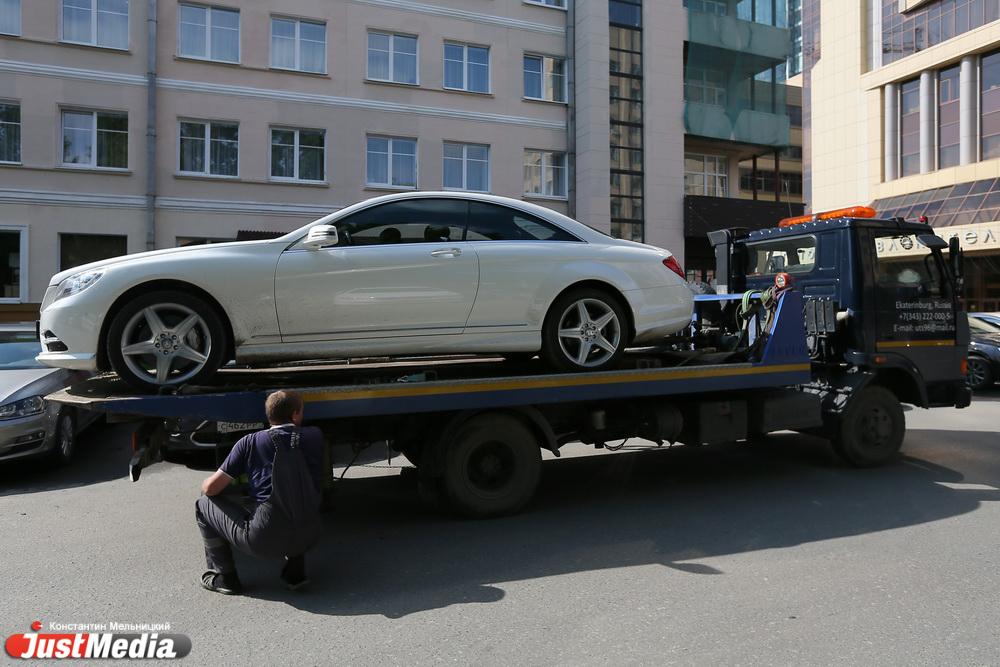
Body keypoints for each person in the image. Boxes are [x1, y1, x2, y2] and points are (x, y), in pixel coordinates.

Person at [196, 390, 324, 595]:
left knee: (203, 504)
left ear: (268, 415)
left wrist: (205, 485)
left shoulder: (249, 442)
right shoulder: (315, 436)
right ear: (295, 414)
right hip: (310, 536)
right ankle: (295, 574)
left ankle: (226, 578)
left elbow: (212, 488)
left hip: (263, 541)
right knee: (295, 495)